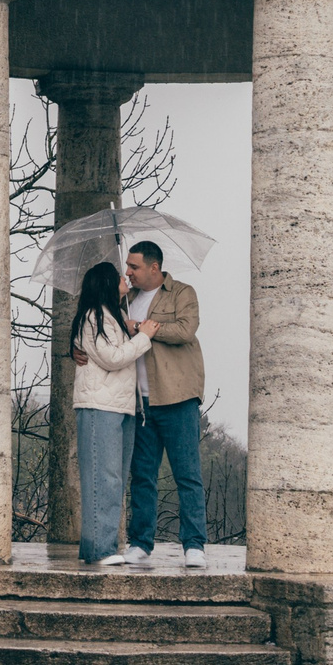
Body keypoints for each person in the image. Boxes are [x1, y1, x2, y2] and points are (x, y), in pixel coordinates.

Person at [121, 240, 208, 569]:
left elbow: (186, 331)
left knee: (187, 474)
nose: (128, 272)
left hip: (177, 397)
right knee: (142, 475)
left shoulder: (182, 293)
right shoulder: (126, 300)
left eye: (134, 267)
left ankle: (194, 544)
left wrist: (145, 329)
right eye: (128, 266)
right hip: (139, 402)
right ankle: (140, 542)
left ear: (154, 268)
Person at [66, 260, 158, 566]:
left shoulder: (115, 315)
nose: (125, 278)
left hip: (121, 406)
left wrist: (132, 327)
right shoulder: (92, 317)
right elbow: (113, 358)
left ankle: (101, 546)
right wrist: (143, 336)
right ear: (105, 282)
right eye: (119, 275)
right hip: (99, 406)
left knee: (114, 479)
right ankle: (100, 549)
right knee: (101, 478)